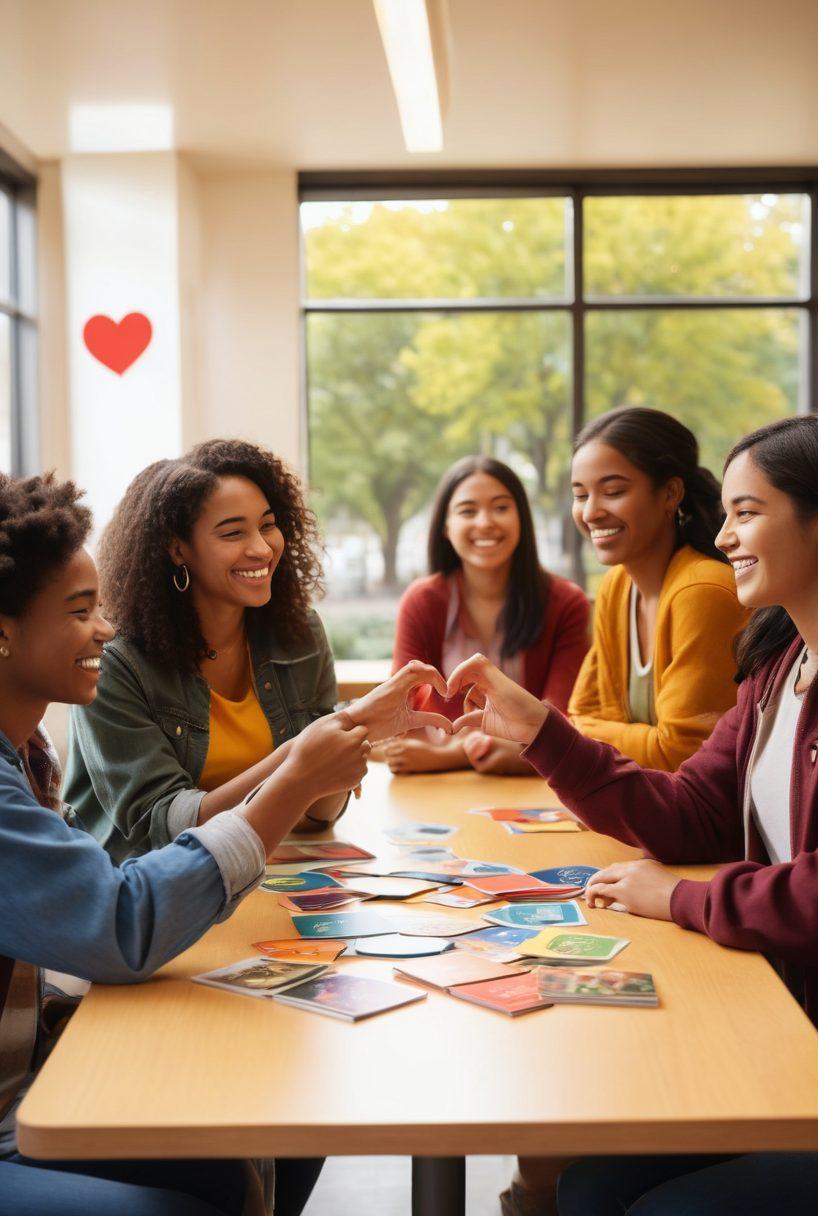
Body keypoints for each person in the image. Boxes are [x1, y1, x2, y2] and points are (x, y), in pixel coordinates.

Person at [0, 470, 451, 1216]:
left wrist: (321, 761)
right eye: (80, 613)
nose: (103, 632)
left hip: (40, 1065)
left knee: (257, 1147)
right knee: (203, 1188)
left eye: (267, 524)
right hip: (23, 1110)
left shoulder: (29, 756)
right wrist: (297, 773)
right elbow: (120, 921)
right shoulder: (102, 691)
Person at [446, 414, 818, 1216]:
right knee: (587, 1184)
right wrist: (541, 732)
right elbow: (690, 810)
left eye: (747, 513)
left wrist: (682, 897)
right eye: (724, 513)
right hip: (786, 1021)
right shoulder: (778, 664)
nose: (723, 538)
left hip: (814, 1050)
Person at [65, 439, 369, 862]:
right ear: (177, 548)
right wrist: (299, 762)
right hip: (138, 890)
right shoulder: (114, 659)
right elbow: (163, 830)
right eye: (233, 533)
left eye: (267, 524)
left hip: (261, 869)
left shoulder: (298, 632)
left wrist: (351, 739)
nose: (262, 548)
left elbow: (319, 816)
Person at [568, 407, 749, 770]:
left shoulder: (704, 591)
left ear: (670, 494)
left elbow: (679, 754)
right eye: (581, 495)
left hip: (713, 822)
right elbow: (579, 713)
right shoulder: (616, 587)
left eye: (613, 491)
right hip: (643, 813)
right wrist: (579, 732)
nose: (591, 512)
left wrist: (580, 735)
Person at [387, 456, 589, 776]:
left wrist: (454, 755)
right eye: (468, 511)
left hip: (534, 787)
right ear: (446, 526)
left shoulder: (566, 603)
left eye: (500, 508)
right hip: (434, 786)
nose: (485, 522)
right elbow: (399, 715)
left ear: (521, 518)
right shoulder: (422, 601)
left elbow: (562, 729)